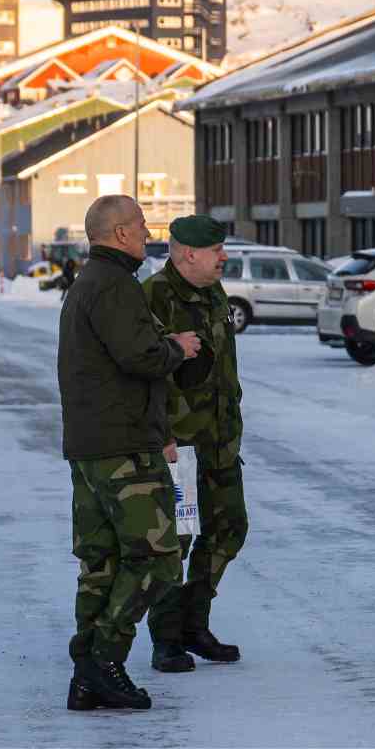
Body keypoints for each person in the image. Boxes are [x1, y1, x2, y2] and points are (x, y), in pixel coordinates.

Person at [58, 195, 202, 712]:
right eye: (141, 225)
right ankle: (103, 662)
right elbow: (138, 354)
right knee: (158, 556)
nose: (148, 233)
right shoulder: (115, 284)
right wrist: (176, 348)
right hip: (122, 446)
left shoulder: (89, 282)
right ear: (119, 234)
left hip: (93, 445)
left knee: (102, 561)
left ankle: (87, 675)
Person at [141, 215, 248, 674]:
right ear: (188, 254)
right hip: (177, 446)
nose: (224, 257)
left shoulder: (214, 293)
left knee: (229, 529)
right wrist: (160, 435)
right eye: (216, 250)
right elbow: (143, 374)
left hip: (221, 441)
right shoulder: (154, 298)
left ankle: (193, 623)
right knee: (175, 543)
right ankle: (166, 640)